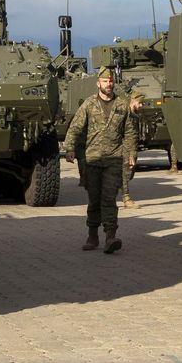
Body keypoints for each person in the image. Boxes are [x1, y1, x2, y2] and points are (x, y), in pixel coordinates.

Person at [61, 66, 139, 253]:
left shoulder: (122, 105)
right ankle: (92, 235)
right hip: (93, 159)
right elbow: (75, 127)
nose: (108, 84)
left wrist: (131, 154)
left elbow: (130, 132)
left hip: (114, 157)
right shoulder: (89, 104)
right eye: (105, 81)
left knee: (109, 198)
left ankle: (110, 236)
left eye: (111, 81)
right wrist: (69, 148)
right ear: (98, 84)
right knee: (94, 199)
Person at [121, 88, 144, 209]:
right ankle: (126, 198)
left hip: (131, 147)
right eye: (139, 103)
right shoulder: (126, 113)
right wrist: (130, 153)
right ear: (133, 101)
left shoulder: (134, 114)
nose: (141, 105)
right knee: (125, 172)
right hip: (125, 147)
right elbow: (127, 134)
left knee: (129, 174)